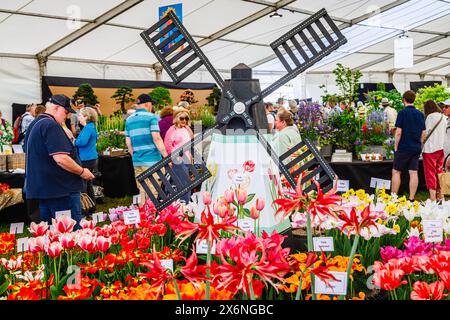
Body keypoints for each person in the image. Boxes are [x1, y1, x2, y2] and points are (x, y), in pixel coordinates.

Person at [23, 94, 94, 228]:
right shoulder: (50, 125)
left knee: (52, 234)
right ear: (56, 108)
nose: (66, 116)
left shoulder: (36, 123)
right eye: (65, 112)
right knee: (69, 234)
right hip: (60, 190)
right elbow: (61, 158)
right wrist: (82, 171)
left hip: (45, 190)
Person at [125, 93, 168, 207]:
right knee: (153, 190)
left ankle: (143, 218)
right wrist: (166, 156)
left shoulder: (129, 119)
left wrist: (134, 155)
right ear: (148, 104)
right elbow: (157, 138)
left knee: (142, 190)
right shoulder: (151, 117)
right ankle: (151, 219)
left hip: (137, 161)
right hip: (152, 160)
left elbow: (128, 143)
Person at [391, 90, 425, 202]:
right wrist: (420, 145)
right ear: (414, 99)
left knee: (396, 171)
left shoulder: (402, 113)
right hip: (416, 147)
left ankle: (394, 198)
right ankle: (411, 198)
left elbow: (399, 132)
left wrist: (396, 147)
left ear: (404, 100)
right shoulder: (420, 114)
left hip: (403, 147)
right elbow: (423, 134)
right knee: (413, 172)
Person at [164, 107, 194, 203]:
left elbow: (191, 142)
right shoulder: (172, 129)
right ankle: (184, 203)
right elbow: (168, 145)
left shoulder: (187, 129)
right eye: (182, 118)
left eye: (186, 118)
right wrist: (174, 157)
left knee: (186, 183)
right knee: (183, 183)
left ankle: (185, 203)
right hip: (178, 160)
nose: (184, 120)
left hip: (187, 159)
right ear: (177, 118)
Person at [75, 107, 99, 211]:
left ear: (86, 117)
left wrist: (73, 141)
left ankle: (85, 209)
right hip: (90, 157)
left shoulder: (88, 128)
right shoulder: (91, 127)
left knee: (83, 184)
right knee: (88, 184)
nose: (78, 117)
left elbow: (82, 142)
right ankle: (91, 208)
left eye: (80, 115)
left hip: (86, 159)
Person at [422, 100, 446, 201]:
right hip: (441, 148)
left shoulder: (430, 117)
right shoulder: (443, 117)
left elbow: (425, 133)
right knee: (439, 171)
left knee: (430, 173)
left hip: (430, 149)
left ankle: (432, 198)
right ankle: (441, 195)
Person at [442, 99, 450, 163]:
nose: (444, 109)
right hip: (446, 157)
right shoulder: (447, 120)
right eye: (443, 107)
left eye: (446, 107)